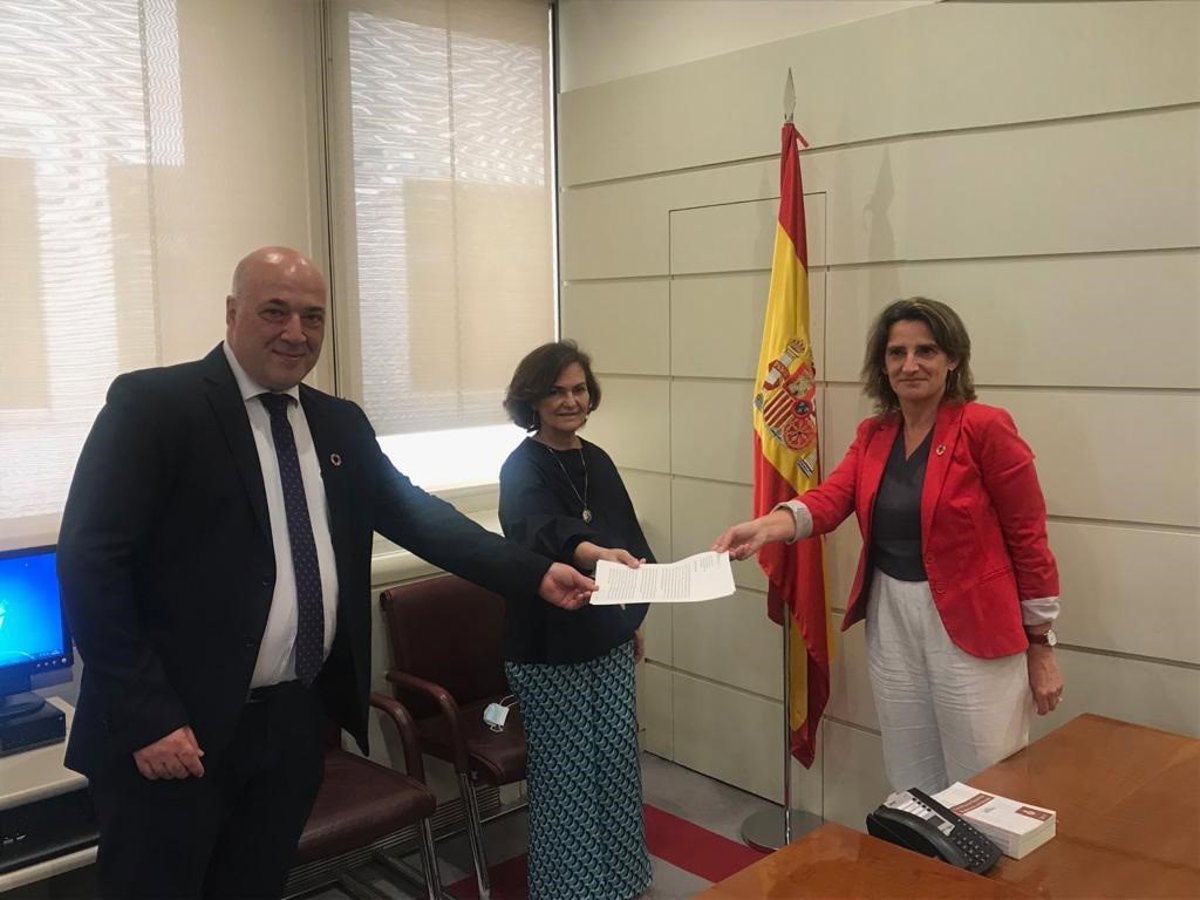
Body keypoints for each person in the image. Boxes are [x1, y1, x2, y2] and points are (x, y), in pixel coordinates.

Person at [56, 247, 595, 899]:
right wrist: (148, 717)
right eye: (275, 311)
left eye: (312, 316)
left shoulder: (338, 423)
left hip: (291, 722)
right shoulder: (155, 407)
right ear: (232, 313)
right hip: (177, 729)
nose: (296, 332)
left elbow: (421, 518)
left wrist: (535, 573)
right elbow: (90, 563)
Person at [714, 297, 1063, 794]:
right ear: (883, 364)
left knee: (984, 782)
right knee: (910, 773)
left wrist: (1041, 644)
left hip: (974, 623)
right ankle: (917, 848)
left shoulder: (985, 427)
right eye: (897, 353)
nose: (910, 364)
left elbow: (1028, 538)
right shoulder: (875, 433)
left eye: (926, 351)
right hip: (892, 617)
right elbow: (832, 498)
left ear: (953, 359)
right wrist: (768, 526)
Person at [498, 340, 653, 900]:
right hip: (547, 642)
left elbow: (628, 541)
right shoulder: (521, 466)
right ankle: (571, 891)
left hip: (605, 635)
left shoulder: (597, 459)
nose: (570, 401)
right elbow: (539, 531)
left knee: (615, 764)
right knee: (568, 776)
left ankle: (624, 883)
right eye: (557, 391)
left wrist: (629, 618)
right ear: (533, 399)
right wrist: (592, 553)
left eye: (579, 389)